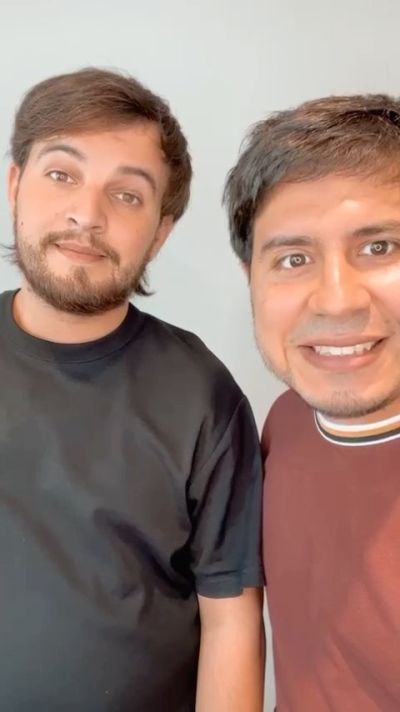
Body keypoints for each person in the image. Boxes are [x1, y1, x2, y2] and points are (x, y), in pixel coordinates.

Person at [1, 67, 265, 712]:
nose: (86, 215)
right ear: (14, 185)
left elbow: (232, 620)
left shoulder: (202, 395)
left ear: (161, 230)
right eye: (62, 175)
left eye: (126, 195)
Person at [224, 94, 400, 711]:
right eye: (293, 259)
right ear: (251, 277)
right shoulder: (288, 419)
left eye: (380, 247)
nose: (336, 300)